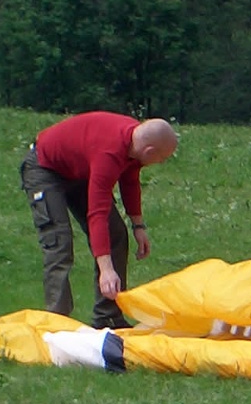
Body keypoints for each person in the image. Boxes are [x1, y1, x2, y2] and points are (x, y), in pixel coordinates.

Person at [20, 111, 178, 329]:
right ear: (149, 150)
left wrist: (138, 226)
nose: (160, 163)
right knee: (59, 242)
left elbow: (130, 181)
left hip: (80, 170)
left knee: (116, 234)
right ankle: (56, 323)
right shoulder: (109, 153)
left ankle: (108, 317)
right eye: (161, 159)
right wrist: (106, 269)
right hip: (45, 168)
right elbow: (97, 214)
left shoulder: (134, 142)